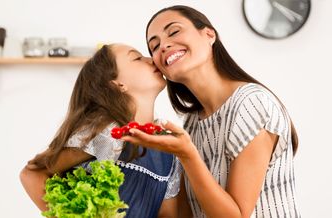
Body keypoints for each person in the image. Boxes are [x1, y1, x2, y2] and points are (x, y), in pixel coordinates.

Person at [122, 5, 300, 218]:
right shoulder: (191, 122)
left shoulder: (251, 104)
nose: (164, 45)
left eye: (174, 31)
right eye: (155, 46)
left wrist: (186, 154)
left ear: (209, 34)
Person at [19, 43, 181, 218]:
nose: (151, 60)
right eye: (137, 58)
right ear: (118, 84)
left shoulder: (169, 146)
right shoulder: (107, 132)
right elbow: (32, 174)